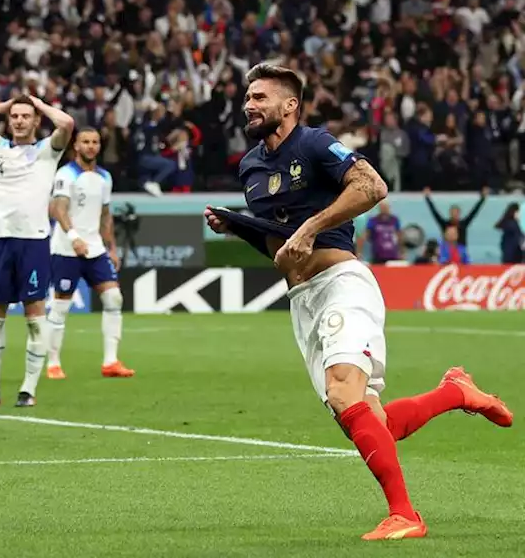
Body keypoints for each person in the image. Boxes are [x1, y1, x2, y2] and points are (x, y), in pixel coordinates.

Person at [204, 64, 512, 541]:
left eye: (260, 96)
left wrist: (309, 230)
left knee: (345, 394)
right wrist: (238, 225)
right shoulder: (250, 167)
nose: (249, 104)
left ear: (290, 105)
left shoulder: (313, 143)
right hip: (302, 300)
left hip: (341, 283)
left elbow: (372, 186)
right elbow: (281, 244)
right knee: (372, 420)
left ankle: (405, 515)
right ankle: (456, 392)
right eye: (248, 96)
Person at [0, 93, 74, 408]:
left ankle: (28, 390)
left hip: (33, 243)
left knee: (35, 319)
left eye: (25, 116)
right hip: (2, 243)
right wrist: (4, 106)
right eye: (15, 116)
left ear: (36, 120)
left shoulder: (47, 151)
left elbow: (67, 123)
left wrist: (38, 103)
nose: (19, 121)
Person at [45, 127, 133, 380]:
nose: (91, 146)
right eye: (86, 141)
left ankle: (111, 361)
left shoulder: (104, 177)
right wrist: (74, 237)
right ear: (76, 145)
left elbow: (105, 215)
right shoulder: (66, 174)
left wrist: (111, 248)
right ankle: (53, 363)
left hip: (94, 248)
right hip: (66, 249)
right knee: (61, 306)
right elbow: (58, 209)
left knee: (113, 298)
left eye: (95, 142)